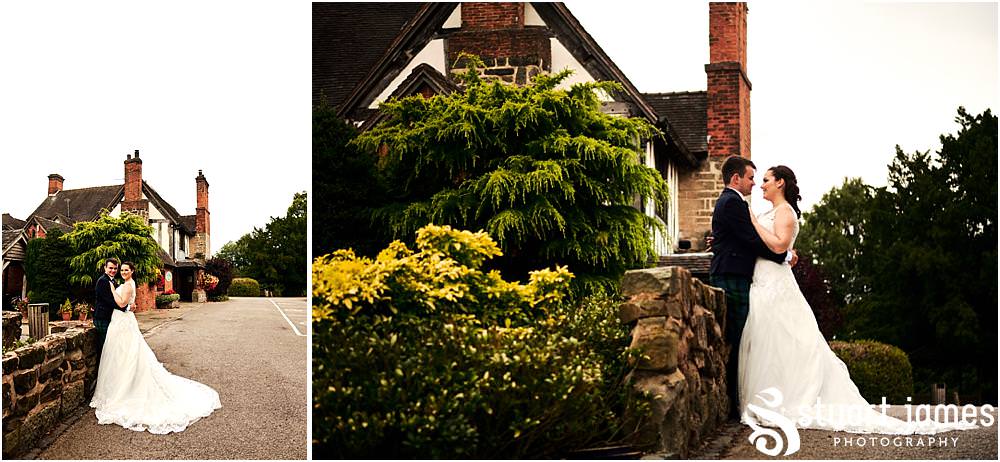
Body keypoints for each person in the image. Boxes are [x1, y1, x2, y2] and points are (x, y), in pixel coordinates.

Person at [739, 165, 975, 433]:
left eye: (766, 180)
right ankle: (772, 397)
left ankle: (785, 401)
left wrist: (754, 224)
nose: (761, 184)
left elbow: (780, 245)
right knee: (772, 342)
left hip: (776, 283)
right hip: (763, 280)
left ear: (780, 183)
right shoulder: (768, 212)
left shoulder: (784, 212)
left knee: (783, 340)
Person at [89, 261, 221, 434]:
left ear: (132, 271)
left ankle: (126, 388)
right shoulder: (106, 281)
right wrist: (127, 304)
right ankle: (118, 386)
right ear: (106, 268)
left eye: (124, 269)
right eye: (117, 269)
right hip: (117, 321)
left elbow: (120, 304)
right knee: (119, 354)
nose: (120, 271)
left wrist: (120, 298)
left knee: (126, 353)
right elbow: (115, 302)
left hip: (122, 322)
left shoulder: (124, 284)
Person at [709, 155, 794, 419]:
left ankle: (739, 400)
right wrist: (785, 256)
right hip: (733, 274)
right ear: (736, 178)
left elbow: (742, 237)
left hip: (743, 274)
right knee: (739, 337)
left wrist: (720, 241)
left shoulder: (733, 202)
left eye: (760, 179)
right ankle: (737, 402)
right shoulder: (733, 202)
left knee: (746, 337)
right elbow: (750, 239)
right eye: (751, 177)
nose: (754, 183)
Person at [92, 258, 121, 356]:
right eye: (110, 268)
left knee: (109, 345)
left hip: (109, 316)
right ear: (105, 268)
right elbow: (109, 301)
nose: (113, 270)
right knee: (104, 346)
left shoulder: (112, 280)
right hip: (102, 317)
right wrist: (126, 308)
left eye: (115, 268)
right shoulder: (103, 281)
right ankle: (101, 366)